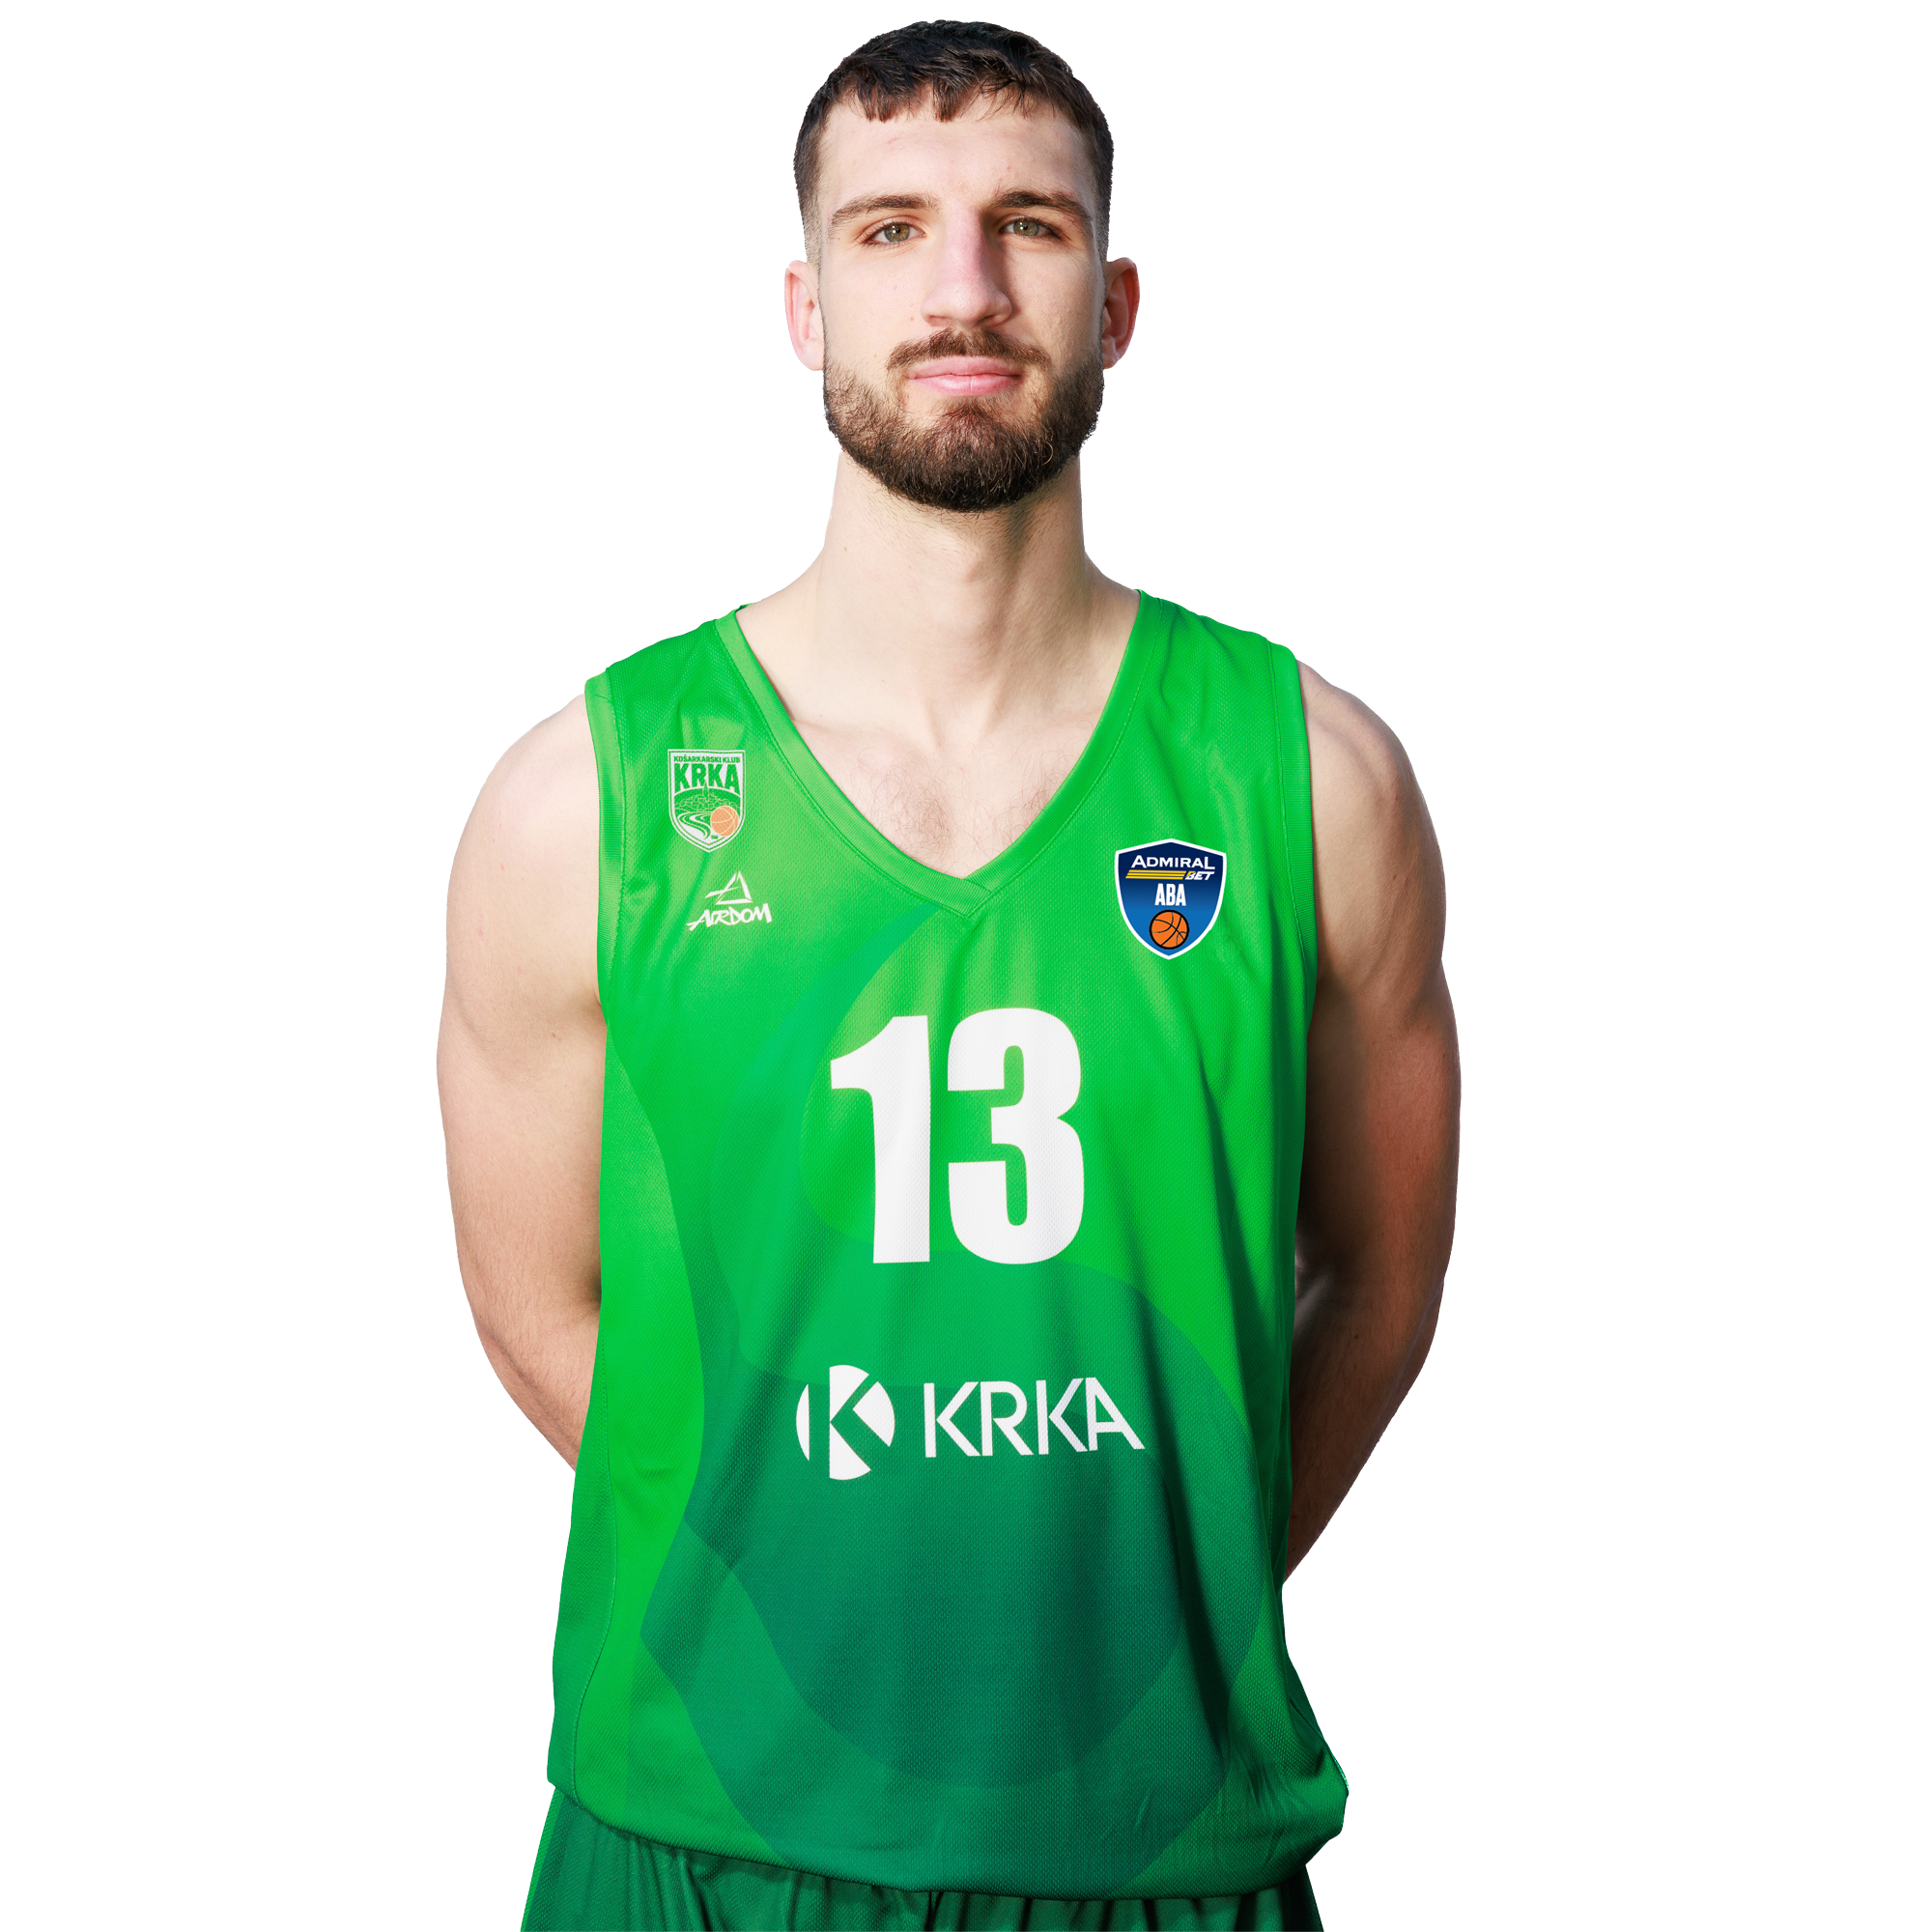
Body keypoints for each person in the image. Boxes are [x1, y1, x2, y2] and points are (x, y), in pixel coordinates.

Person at [438, 20, 1459, 1931]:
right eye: (893, 228)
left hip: (1157, 1852)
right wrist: (829, 1557)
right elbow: (537, 1306)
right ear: (805, 306)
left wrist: (1137, 1585)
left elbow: (1381, 1276)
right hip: (698, 1845)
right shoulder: (587, 802)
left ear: (1116, 304)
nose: (965, 289)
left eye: (1030, 227)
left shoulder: (1314, 781)